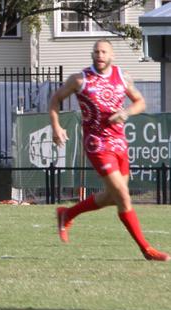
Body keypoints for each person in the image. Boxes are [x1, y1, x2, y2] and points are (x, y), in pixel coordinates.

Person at [50, 39, 169, 261]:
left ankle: (67, 213)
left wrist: (126, 112)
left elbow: (140, 102)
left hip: (119, 143)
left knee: (113, 197)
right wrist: (56, 126)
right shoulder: (80, 79)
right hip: (97, 144)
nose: (99, 55)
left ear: (111, 55)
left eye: (104, 51)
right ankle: (146, 249)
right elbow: (55, 100)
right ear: (92, 54)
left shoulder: (122, 77)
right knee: (123, 196)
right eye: (96, 51)